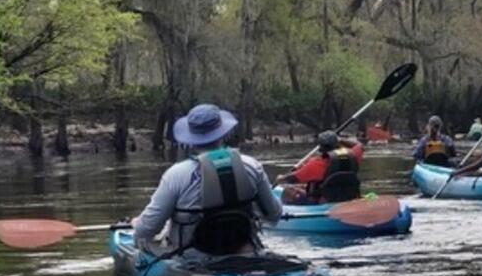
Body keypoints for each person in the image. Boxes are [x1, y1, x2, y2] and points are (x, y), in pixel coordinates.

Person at [131, 103, 283, 258]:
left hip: (192, 259)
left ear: (191, 139)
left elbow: (146, 230)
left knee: (145, 237)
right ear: (223, 133)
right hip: (245, 253)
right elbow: (274, 215)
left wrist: (137, 225)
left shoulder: (175, 175)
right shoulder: (252, 166)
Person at [281, 130, 364, 204]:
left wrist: (282, 178)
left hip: (323, 201)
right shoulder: (354, 155)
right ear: (337, 144)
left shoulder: (316, 163)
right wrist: (340, 139)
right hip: (349, 197)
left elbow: (293, 178)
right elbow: (359, 145)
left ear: (321, 147)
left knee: (287, 191)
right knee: (303, 186)